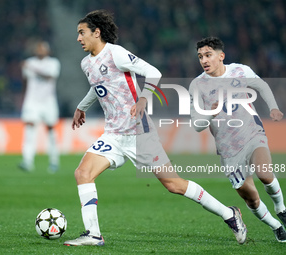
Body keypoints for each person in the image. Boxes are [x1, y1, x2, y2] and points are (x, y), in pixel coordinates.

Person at [63, 10, 247, 246]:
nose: (78, 38)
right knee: (83, 173)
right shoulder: (86, 63)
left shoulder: (115, 53)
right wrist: (82, 107)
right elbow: (97, 86)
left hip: (140, 133)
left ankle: (229, 214)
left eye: (82, 33)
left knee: (173, 184)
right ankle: (93, 234)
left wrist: (143, 99)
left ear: (97, 33)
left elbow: (153, 72)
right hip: (114, 135)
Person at [189, 36, 286, 242]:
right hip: (228, 148)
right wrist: (211, 112)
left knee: (265, 174)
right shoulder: (198, 85)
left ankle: (281, 208)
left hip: (252, 133)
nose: (204, 60)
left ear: (221, 56)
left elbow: (261, 86)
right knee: (250, 198)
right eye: (200, 57)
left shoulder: (240, 70)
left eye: (208, 55)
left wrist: (273, 107)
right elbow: (197, 125)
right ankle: (276, 226)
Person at [19, 41, 61, 173]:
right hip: (32, 101)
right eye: (38, 48)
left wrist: (32, 68)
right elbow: (25, 81)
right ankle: (27, 161)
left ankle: (54, 161)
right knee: (29, 129)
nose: (40, 51)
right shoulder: (29, 62)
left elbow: (50, 76)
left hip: (48, 101)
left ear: (47, 51)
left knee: (50, 130)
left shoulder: (53, 63)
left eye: (42, 49)